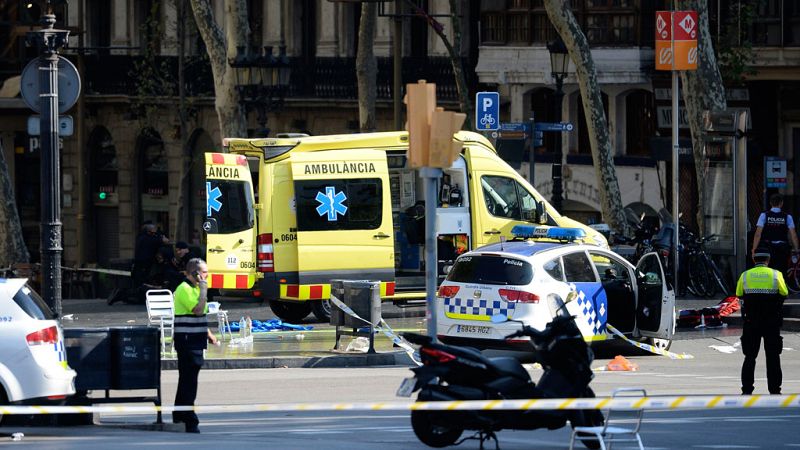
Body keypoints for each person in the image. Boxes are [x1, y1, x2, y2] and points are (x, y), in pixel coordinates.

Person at [172, 258, 218, 433]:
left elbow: (199, 316)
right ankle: (188, 418)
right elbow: (197, 310)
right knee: (188, 381)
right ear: (195, 274)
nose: (207, 275)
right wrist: (204, 288)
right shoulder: (184, 289)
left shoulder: (196, 289)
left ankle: (181, 416)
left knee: (189, 380)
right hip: (187, 341)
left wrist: (209, 334)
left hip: (196, 340)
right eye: (204, 272)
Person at [735, 248, 788, 395]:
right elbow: (784, 292)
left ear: (754, 260)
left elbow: (739, 294)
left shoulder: (745, 275)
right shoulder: (776, 275)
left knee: (750, 357)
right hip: (772, 321)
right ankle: (775, 390)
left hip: (751, 321)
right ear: (768, 260)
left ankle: (747, 390)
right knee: (773, 357)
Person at [751, 193, 800, 276]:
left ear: (770, 203)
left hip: (768, 248)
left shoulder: (764, 215)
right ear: (781, 203)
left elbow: (757, 234)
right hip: (782, 249)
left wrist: (754, 249)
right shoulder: (788, 217)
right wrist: (796, 250)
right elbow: (793, 235)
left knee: (767, 271)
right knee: (781, 272)